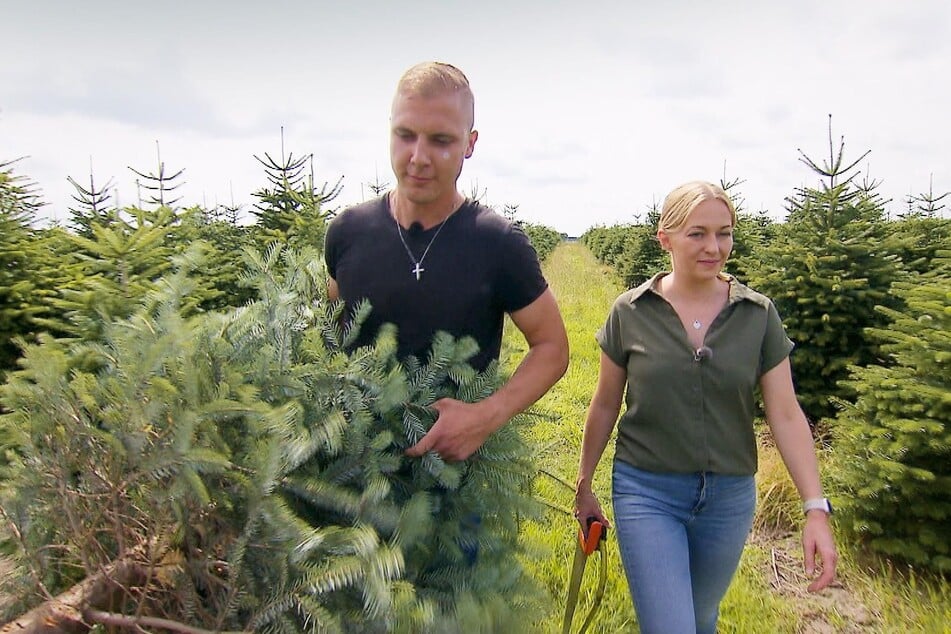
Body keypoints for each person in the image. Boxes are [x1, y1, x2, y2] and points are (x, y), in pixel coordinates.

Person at [573, 181, 837, 633]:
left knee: (700, 618)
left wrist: (815, 507)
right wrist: (584, 483)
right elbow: (604, 404)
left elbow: (787, 413)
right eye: (697, 234)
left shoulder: (757, 315)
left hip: (728, 498)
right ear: (666, 239)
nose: (714, 247)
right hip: (647, 490)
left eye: (724, 233)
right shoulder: (630, 311)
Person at [324, 61, 568, 462]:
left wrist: (484, 417)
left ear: (469, 144)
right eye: (405, 135)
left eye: (440, 140)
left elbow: (552, 347)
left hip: (456, 482)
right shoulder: (347, 233)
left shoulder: (498, 242)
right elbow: (333, 332)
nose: (419, 157)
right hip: (354, 474)